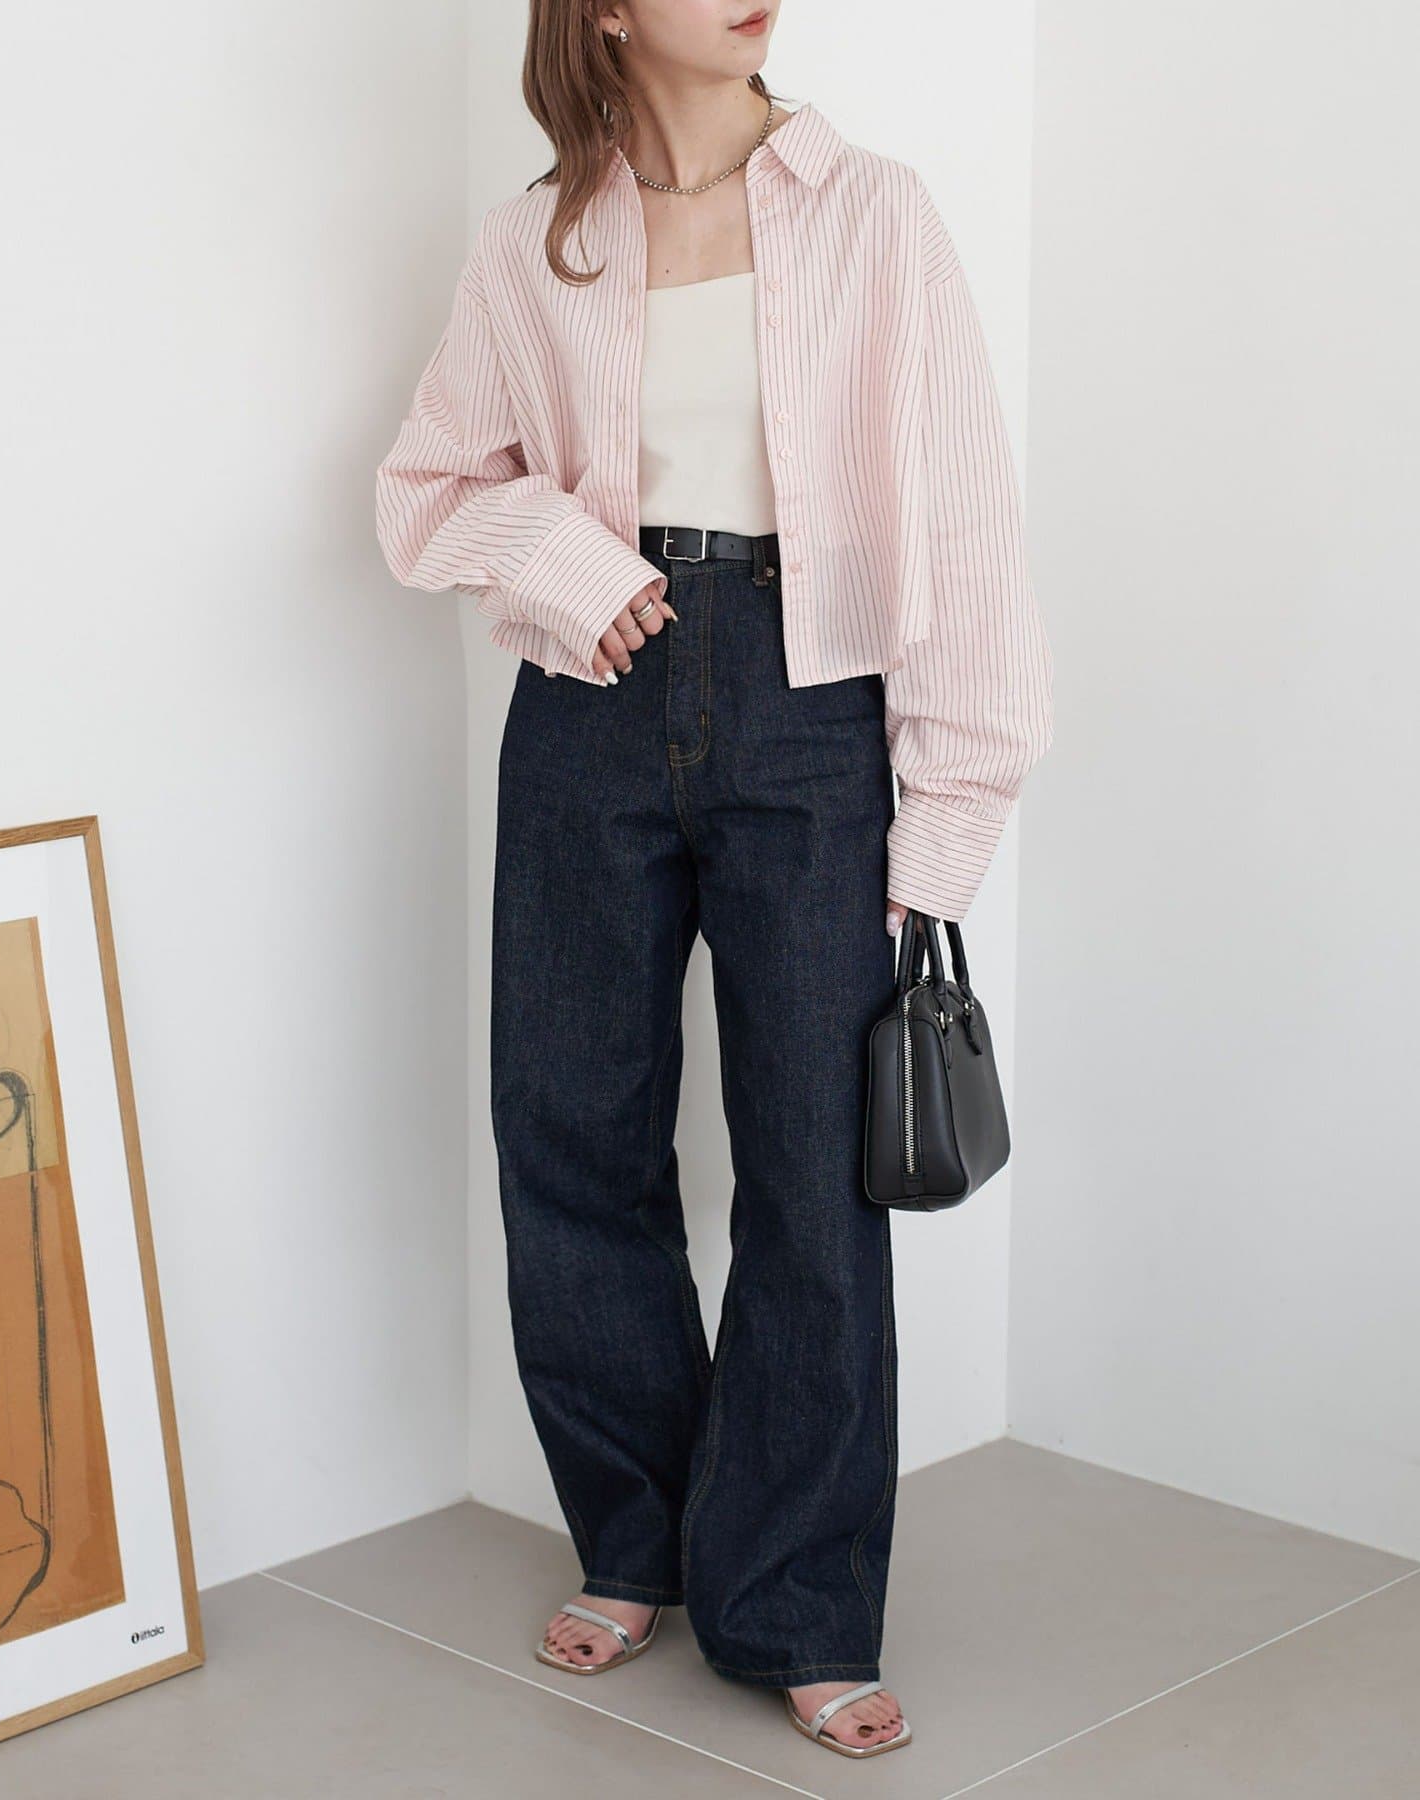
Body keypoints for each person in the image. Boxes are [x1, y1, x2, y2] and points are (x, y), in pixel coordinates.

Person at [374, 0, 1052, 1763]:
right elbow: (428, 487)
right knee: (571, 1133)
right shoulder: (537, 240)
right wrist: (564, 556)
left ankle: (800, 1598)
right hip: (589, 694)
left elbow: (965, 524)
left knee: (815, 1171)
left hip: (812, 704)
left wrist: (946, 816)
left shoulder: (872, 210)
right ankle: (638, 1534)